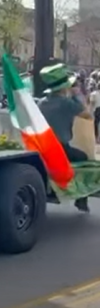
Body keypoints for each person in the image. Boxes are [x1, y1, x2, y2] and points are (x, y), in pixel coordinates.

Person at [38, 63, 94, 212]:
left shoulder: (41, 103)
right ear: (64, 87)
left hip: (42, 145)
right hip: (60, 146)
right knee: (83, 160)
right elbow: (88, 115)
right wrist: (76, 94)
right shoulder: (66, 103)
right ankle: (80, 198)